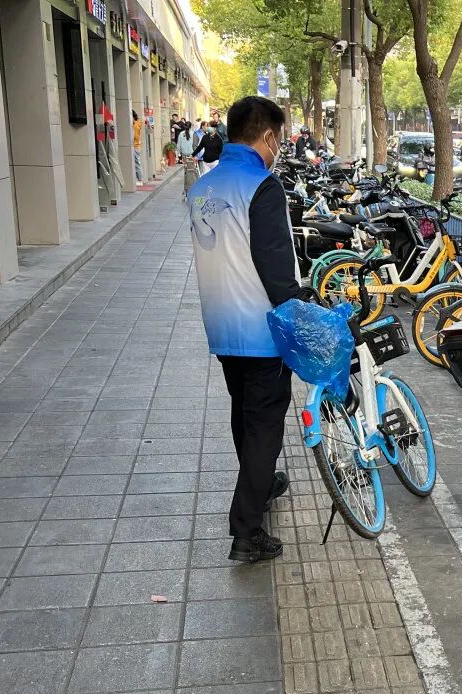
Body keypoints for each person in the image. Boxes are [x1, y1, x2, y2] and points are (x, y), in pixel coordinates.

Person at [187, 95, 300, 563]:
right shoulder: (262, 186)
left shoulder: (203, 186)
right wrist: (301, 312)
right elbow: (276, 270)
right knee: (265, 425)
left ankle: (262, 481)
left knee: (245, 415)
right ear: (268, 136)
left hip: (221, 326)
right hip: (261, 330)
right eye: (279, 140)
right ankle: (247, 531)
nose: (279, 149)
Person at [132, 110, 143, 183]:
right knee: (137, 163)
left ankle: (139, 179)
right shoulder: (137, 123)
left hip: (135, 146)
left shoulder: (135, 125)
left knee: (137, 163)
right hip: (136, 146)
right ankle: (139, 179)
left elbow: (135, 136)